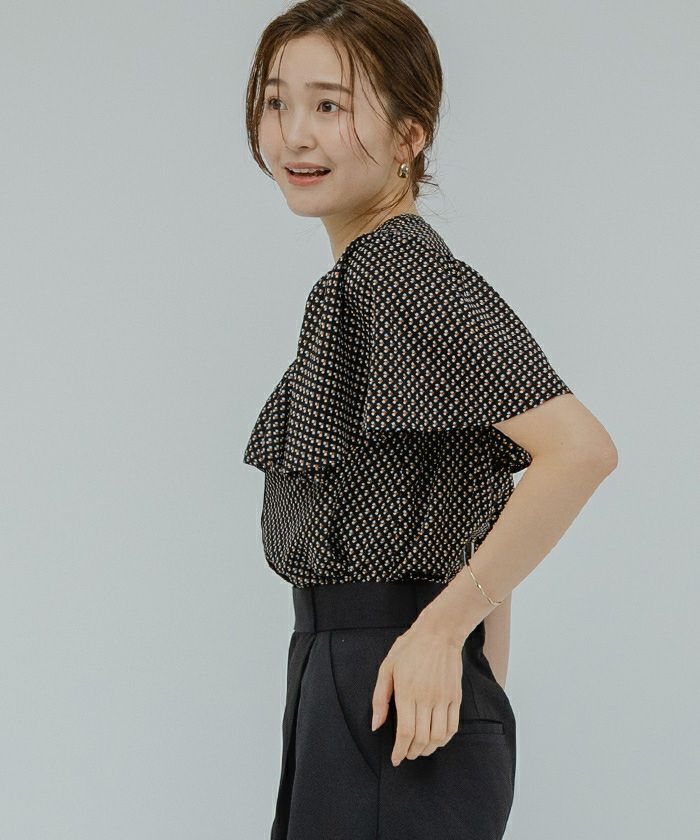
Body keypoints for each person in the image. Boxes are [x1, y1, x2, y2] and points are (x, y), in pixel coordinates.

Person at [242, 2, 618, 838]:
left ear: (410, 135)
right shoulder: (364, 280)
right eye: (276, 101)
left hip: (381, 688)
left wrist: (441, 635)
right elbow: (482, 496)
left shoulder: (401, 273)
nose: (294, 133)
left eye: (330, 105)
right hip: (362, 691)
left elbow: (579, 451)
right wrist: (475, 675)